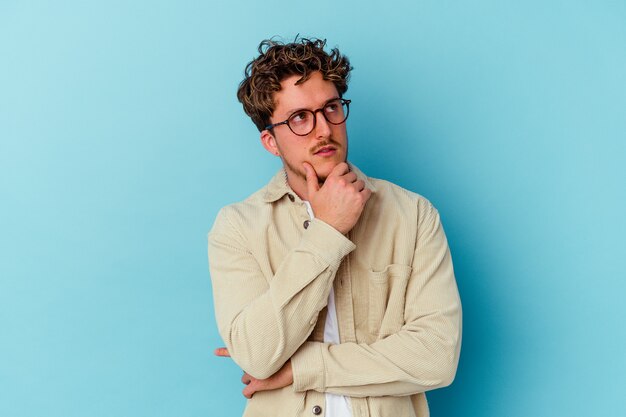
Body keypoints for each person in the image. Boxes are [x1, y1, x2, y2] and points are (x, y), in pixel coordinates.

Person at [208, 37, 462, 417]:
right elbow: (258, 356)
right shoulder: (238, 227)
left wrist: (300, 368)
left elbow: (436, 357)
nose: (323, 129)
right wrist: (327, 230)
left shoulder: (413, 215)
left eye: (331, 108)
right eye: (299, 118)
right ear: (270, 141)